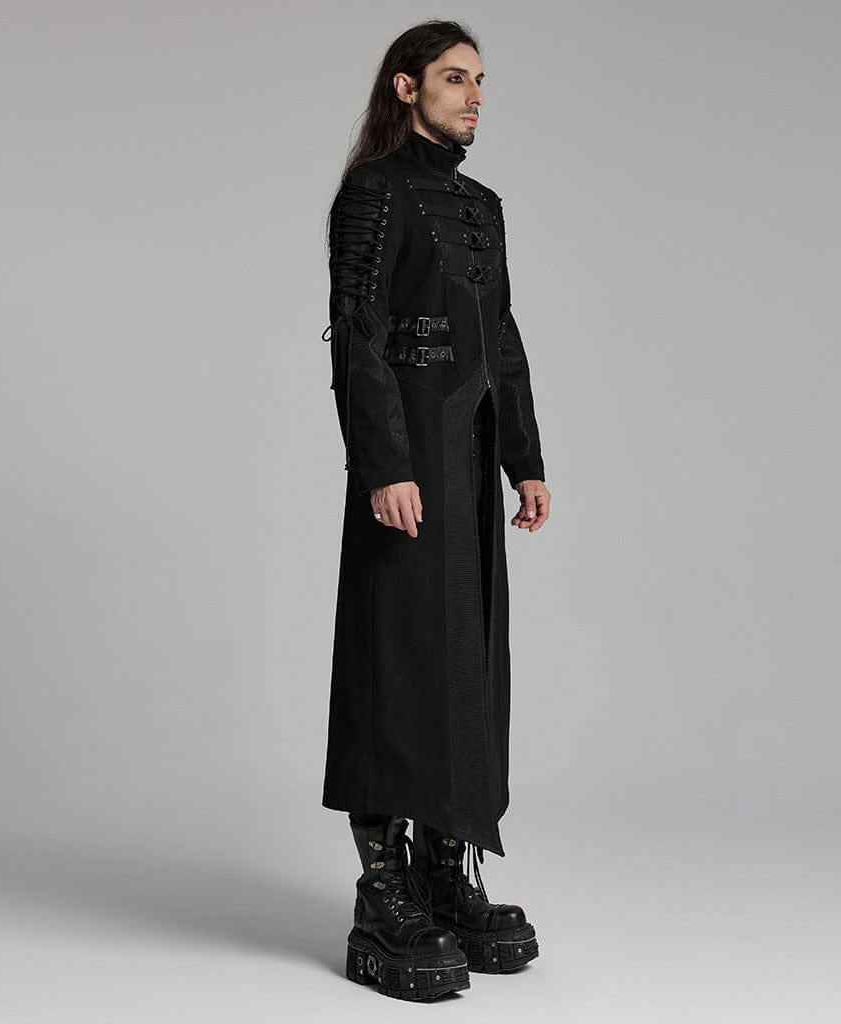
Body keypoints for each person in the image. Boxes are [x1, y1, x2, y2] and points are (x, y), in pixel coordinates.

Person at [320, 19, 551, 1000]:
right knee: (398, 656)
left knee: (468, 661)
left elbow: (501, 334)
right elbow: (358, 329)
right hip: (407, 463)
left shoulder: (482, 205)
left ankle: (446, 877)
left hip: (468, 461)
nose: (475, 96)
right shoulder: (372, 190)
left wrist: (524, 460)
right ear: (406, 87)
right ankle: (385, 896)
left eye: (481, 81)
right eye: (456, 79)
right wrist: (383, 464)